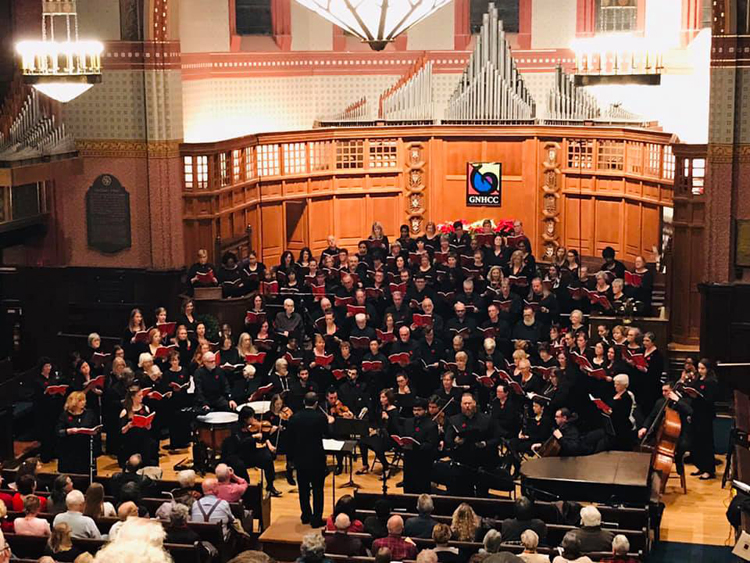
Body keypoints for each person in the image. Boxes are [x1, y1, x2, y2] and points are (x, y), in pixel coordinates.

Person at [287, 392, 329, 526]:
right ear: (316, 404)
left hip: (300, 458)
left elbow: (290, 440)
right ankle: (316, 519)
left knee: (303, 489)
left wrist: (290, 460)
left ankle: (305, 515)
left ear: (304, 402)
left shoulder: (294, 418)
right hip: (317, 458)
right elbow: (327, 434)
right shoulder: (321, 417)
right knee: (318, 490)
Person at [222, 406, 282, 497]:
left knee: (267, 457)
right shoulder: (235, 428)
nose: (254, 419)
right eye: (252, 417)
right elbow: (240, 443)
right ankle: (247, 488)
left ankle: (270, 485)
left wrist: (268, 433)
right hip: (238, 455)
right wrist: (252, 437)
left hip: (250, 453)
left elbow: (261, 440)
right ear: (245, 419)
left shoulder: (254, 427)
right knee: (239, 465)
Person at [397, 398, 440, 493]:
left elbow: (431, 444)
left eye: (419, 410)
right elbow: (403, 436)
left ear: (425, 410)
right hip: (409, 460)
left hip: (423, 462)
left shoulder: (431, 425)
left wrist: (416, 446)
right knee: (408, 487)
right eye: (414, 410)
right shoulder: (408, 422)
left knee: (422, 488)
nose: (416, 412)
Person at [55, 391, 100, 475]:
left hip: (84, 448)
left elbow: (96, 428)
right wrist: (69, 431)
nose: (84, 402)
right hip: (69, 449)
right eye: (81, 400)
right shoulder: (64, 415)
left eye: (84, 400)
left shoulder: (89, 413)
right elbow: (58, 431)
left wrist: (94, 432)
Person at [689, 358, 718, 480]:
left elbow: (710, 399)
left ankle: (709, 469)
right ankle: (701, 466)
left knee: (706, 442)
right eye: (699, 368)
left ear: (708, 369)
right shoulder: (697, 379)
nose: (700, 371)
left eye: (703, 368)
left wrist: (698, 396)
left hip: (705, 415)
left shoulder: (711, 382)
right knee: (697, 442)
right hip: (697, 413)